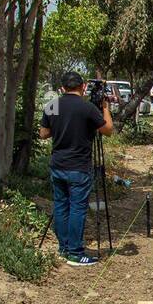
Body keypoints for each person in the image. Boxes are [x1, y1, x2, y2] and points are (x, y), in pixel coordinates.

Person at [39, 71, 114, 266]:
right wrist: (105, 108)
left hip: (57, 165)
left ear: (62, 88)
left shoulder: (53, 105)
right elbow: (108, 130)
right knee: (77, 209)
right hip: (78, 167)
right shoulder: (87, 107)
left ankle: (64, 248)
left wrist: (61, 127)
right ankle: (75, 252)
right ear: (83, 87)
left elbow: (43, 133)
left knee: (61, 206)